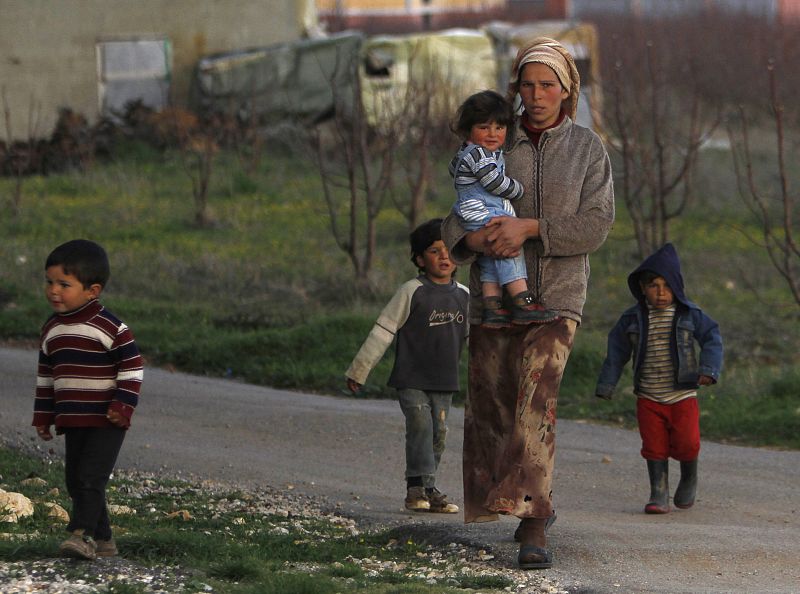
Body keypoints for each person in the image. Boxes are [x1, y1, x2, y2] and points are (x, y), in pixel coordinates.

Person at [442, 37, 615, 569]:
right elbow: (453, 219)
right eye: (528, 84)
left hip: (558, 297)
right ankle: (519, 500)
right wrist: (472, 241)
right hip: (495, 300)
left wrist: (531, 229)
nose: (537, 95)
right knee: (494, 401)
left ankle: (534, 522)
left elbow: (597, 224)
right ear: (515, 88)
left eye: (549, 85)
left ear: (568, 92)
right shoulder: (495, 139)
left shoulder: (588, 149)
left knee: (536, 398)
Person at [345, 219, 469, 514]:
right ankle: (415, 489)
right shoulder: (411, 291)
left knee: (439, 432)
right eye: (434, 251)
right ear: (418, 259)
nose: (443, 257)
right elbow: (382, 332)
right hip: (411, 378)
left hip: (445, 380)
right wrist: (359, 370)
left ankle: (429, 487)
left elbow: (477, 342)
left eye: (448, 250)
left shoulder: (465, 296)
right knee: (420, 426)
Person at [32, 239, 144, 561]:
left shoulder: (109, 327)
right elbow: (47, 377)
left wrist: (123, 406)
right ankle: (106, 541)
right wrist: (43, 416)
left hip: (106, 420)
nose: (54, 290)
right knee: (75, 480)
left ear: (92, 291)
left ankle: (81, 535)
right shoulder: (51, 330)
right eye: (49, 282)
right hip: (73, 419)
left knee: (89, 478)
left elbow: (132, 367)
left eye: (64, 284)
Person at [595, 242, 723, 514]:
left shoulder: (690, 314)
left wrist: (709, 369)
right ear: (642, 288)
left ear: (677, 285)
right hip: (648, 395)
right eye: (653, 286)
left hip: (682, 394)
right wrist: (607, 383)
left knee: (688, 443)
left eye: (667, 285)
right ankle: (658, 492)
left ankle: (689, 478)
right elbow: (617, 352)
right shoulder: (632, 318)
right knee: (653, 446)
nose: (661, 292)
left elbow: (712, 338)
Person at [449, 90, 558, 327]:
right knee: (508, 245)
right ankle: (522, 301)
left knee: (491, 257)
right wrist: (517, 189)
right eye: (484, 127)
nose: (492, 134)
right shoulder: (479, 153)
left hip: (472, 209)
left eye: (499, 128)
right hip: (482, 208)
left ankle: (493, 306)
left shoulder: (465, 151)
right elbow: (493, 182)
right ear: (469, 129)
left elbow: (452, 170)